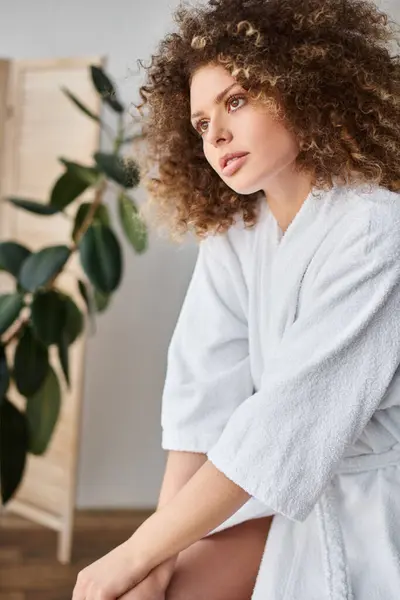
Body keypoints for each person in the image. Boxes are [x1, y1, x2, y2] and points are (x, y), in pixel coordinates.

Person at [71, 0, 400, 598]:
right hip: (274, 488)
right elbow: (201, 398)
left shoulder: (375, 229)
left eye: (237, 100)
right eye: (200, 123)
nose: (216, 133)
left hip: (372, 503)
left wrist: (134, 551)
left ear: (301, 88)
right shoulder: (236, 235)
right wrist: (154, 562)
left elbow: (283, 425)